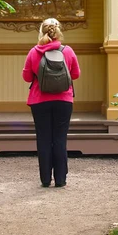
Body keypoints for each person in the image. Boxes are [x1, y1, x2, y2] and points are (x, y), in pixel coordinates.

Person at [22, 17, 80, 188]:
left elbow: (26, 77)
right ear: (59, 31)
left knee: (44, 138)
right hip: (63, 100)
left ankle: (45, 179)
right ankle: (61, 180)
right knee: (60, 138)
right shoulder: (68, 51)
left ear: (41, 31)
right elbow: (75, 74)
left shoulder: (34, 52)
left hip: (39, 101)